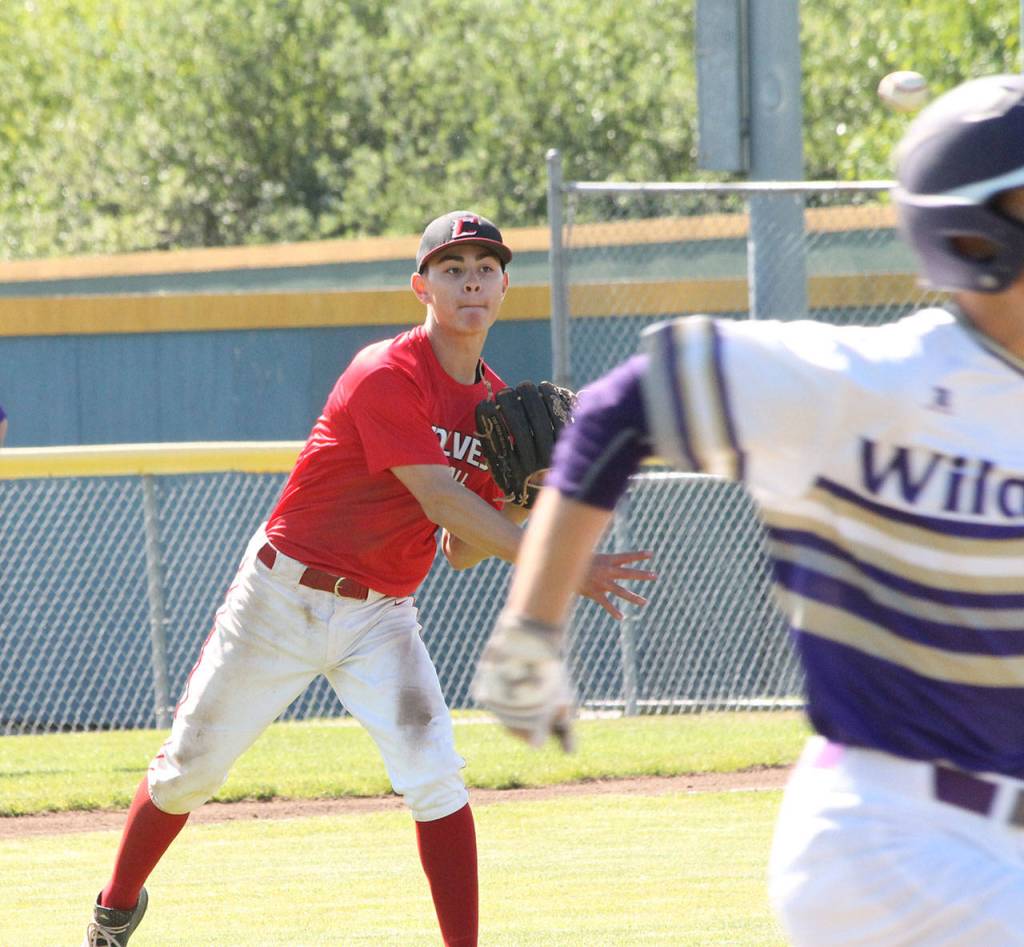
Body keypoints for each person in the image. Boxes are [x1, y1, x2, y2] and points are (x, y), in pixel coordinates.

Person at [472, 74, 1024, 946]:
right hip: (893, 840)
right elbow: (630, 405)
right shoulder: (870, 383)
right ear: (976, 228)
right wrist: (533, 627)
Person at [81, 210, 655, 947]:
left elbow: (456, 547)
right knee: (188, 771)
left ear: (505, 285)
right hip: (281, 597)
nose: (471, 278)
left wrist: (524, 492)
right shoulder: (385, 371)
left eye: (486, 266)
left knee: (436, 774)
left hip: (381, 613)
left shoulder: (498, 411)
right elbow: (440, 498)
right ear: (422, 285)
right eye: (453, 267)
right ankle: (116, 906)